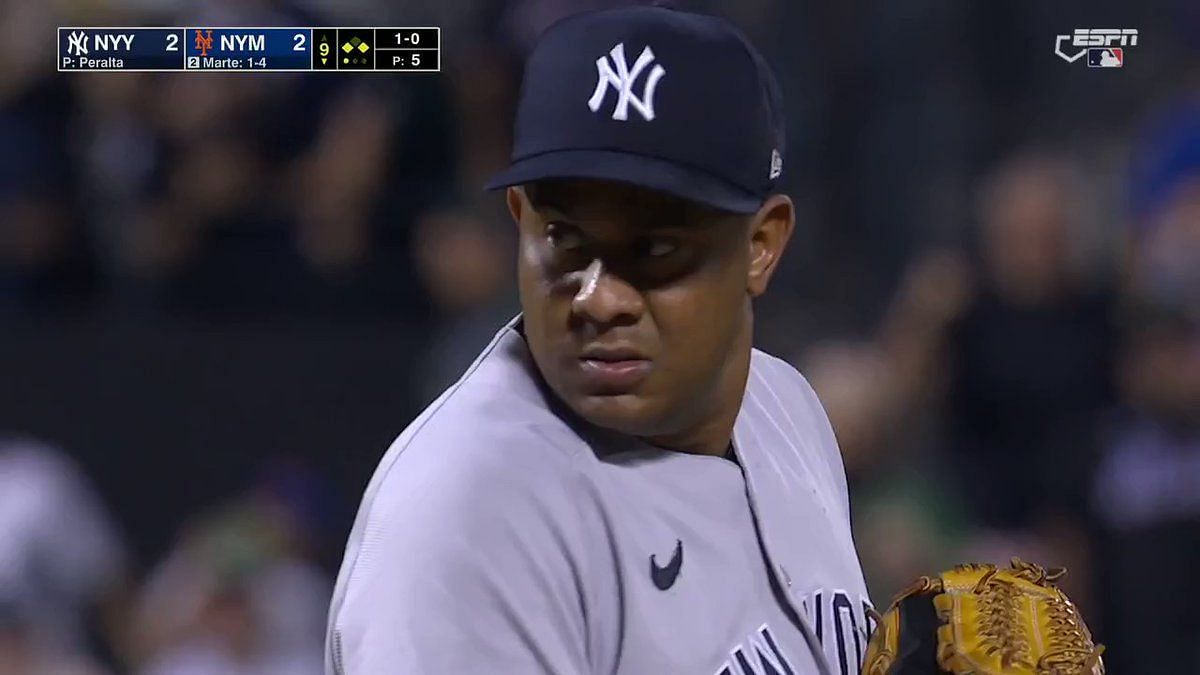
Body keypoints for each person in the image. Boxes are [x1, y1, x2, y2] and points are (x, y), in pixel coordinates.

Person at [326, 6, 869, 675]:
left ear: (761, 246)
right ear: (521, 220)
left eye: (656, 249)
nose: (598, 298)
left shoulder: (787, 408)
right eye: (564, 240)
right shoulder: (469, 515)